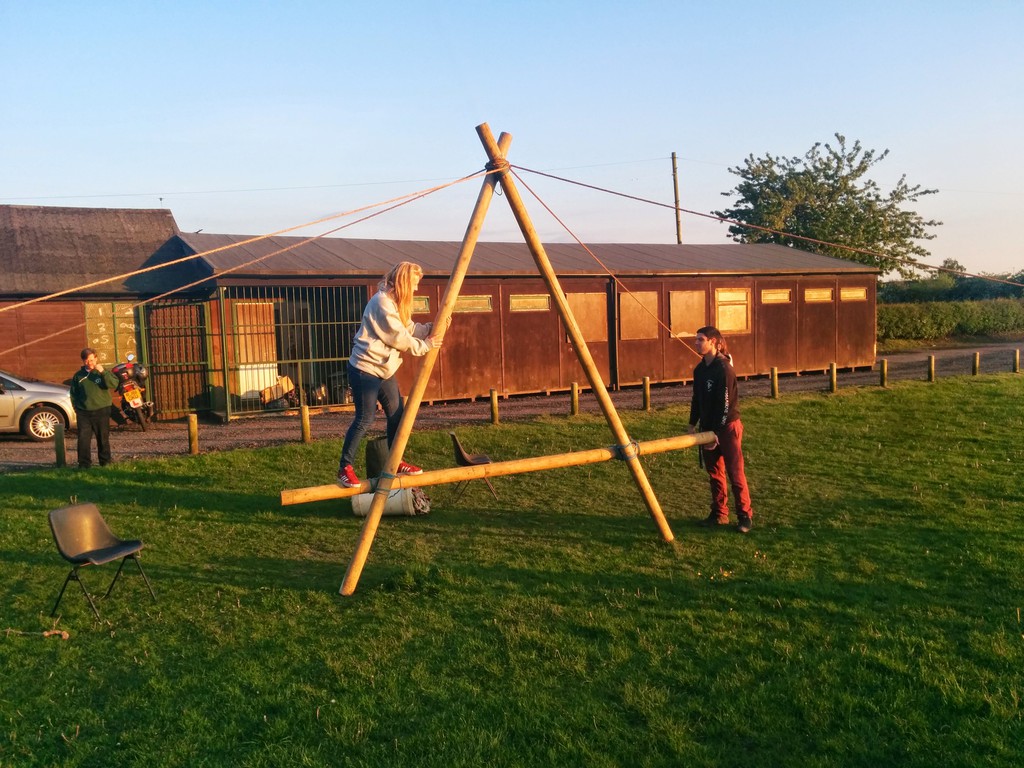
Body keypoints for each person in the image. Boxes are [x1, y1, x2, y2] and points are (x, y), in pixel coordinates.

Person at [337, 262, 445, 487]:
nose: (416, 289)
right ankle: (345, 467)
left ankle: (395, 461)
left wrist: (432, 328)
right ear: (404, 282)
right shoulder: (382, 303)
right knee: (365, 418)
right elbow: (398, 337)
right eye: (414, 284)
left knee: (397, 415)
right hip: (365, 369)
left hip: (384, 370)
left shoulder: (396, 303)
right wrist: (425, 346)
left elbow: (409, 328)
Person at [688, 326, 754, 533]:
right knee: (715, 472)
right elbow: (697, 399)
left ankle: (744, 516)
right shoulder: (699, 370)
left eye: (701, 339)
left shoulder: (724, 369)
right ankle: (719, 514)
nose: (696, 343)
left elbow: (725, 404)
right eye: (696, 339)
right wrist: (692, 424)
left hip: (727, 427)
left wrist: (716, 432)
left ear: (713, 343)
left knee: (735, 472)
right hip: (708, 429)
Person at [70, 347, 120, 468]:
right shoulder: (78, 376)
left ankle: (105, 463)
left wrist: (103, 372)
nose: (89, 363)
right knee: (83, 439)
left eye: (92, 360)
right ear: (83, 361)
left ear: (96, 359)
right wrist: (77, 408)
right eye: (86, 361)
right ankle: (84, 464)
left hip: (102, 410)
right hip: (84, 412)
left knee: (103, 438)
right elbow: (73, 393)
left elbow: (114, 384)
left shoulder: (102, 372)